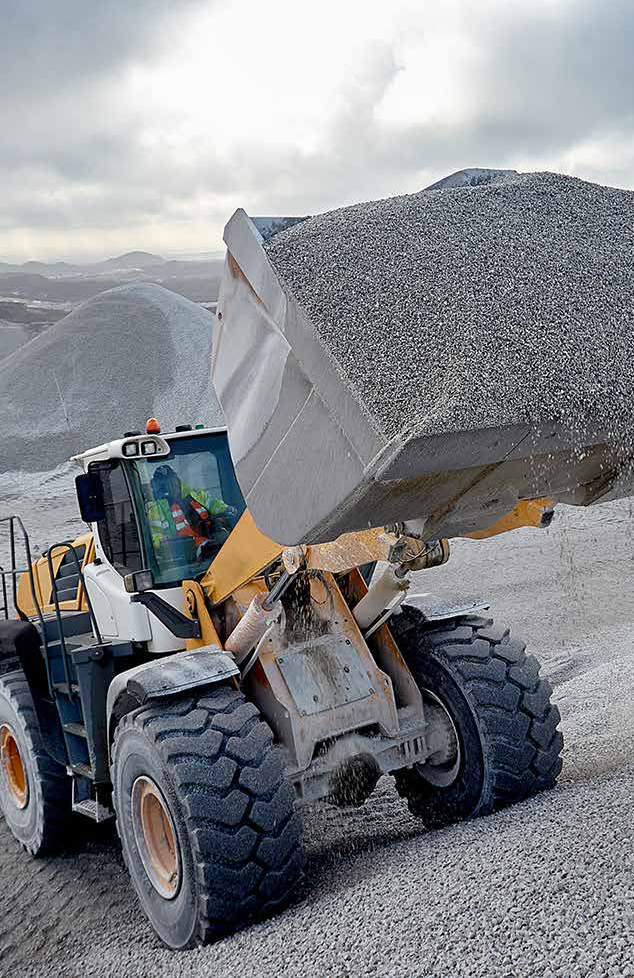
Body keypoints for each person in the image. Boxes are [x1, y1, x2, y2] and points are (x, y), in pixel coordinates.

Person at [147, 464, 234, 561]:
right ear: (158, 487)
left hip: (214, 538)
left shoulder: (195, 494)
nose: (171, 486)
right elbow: (154, 536)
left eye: (172, 481)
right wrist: (164, 541)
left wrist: (227, 509)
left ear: (178, 481)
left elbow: (214, 504)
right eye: (165, 484)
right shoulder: (155, 509)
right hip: (186, 555)